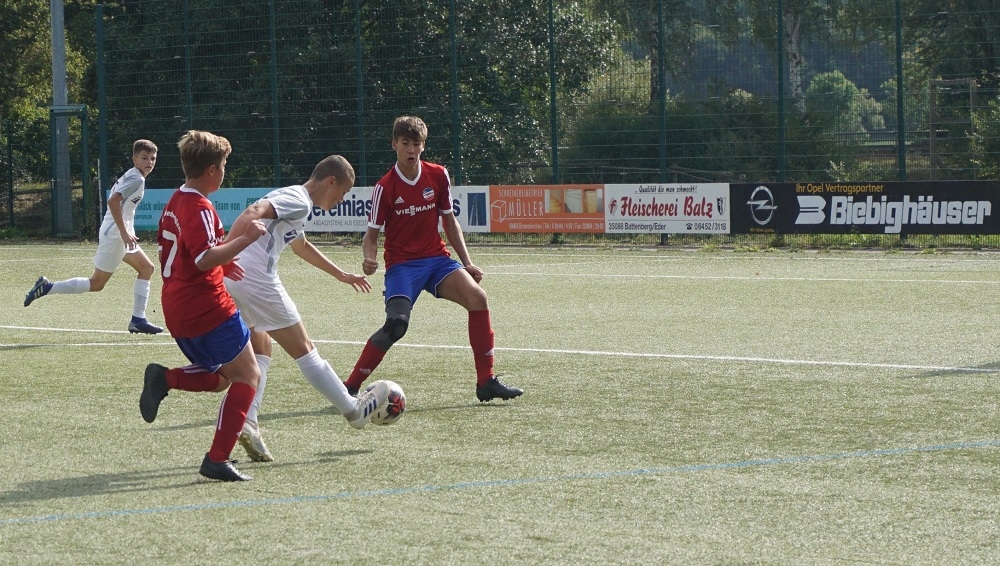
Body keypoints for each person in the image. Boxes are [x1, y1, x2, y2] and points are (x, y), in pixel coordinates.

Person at [343, 115, 523, 403]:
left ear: (423, 146)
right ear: (394, 145)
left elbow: (449, 221)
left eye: (416, 144)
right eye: (405, 143)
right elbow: (371, 235)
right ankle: (349, 387)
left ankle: (486, 381)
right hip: (402, 266)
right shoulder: (384, 187)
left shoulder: (438, 175)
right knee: (396, 326)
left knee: (478, 298)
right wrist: (369, 257)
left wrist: (467, 262)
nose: (411, 150)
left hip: (437, 261)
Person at [223, 155, 389, 463]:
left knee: (261, 348)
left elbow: (301, 246)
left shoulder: (296, 201)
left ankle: (248, 421)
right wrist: (224, 253)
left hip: (238, 280)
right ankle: (353, 410)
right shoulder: (298, 199)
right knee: (305, 349)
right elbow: (251, 212)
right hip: (256, 278)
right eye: (343, 192)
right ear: (330, 182)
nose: (341, 200)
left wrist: (341, 275)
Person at [139, 130, 268, 482]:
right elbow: (202, 258)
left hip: (178, 308)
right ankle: (217, 459)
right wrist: (246, 239)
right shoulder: (199, 207)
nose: (225, 171)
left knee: (221, 379)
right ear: (212, 170)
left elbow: (187, 254)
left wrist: (223, 264)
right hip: (207, 307)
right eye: (224, 165)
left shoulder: (177, 199)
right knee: (249, 375)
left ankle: (164, 378)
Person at [24, 139, 164, 334]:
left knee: (146, 268)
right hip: (116, 236)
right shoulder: (137, 179)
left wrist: (126, 233)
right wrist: (124, 233)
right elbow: (113, 201)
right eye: (144, 158)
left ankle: (138, 319)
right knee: (97, 283)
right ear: (134, 159)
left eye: (153, 158)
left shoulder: (135, 175)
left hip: (118, 234)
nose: (149, 162)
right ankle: (48, 287)